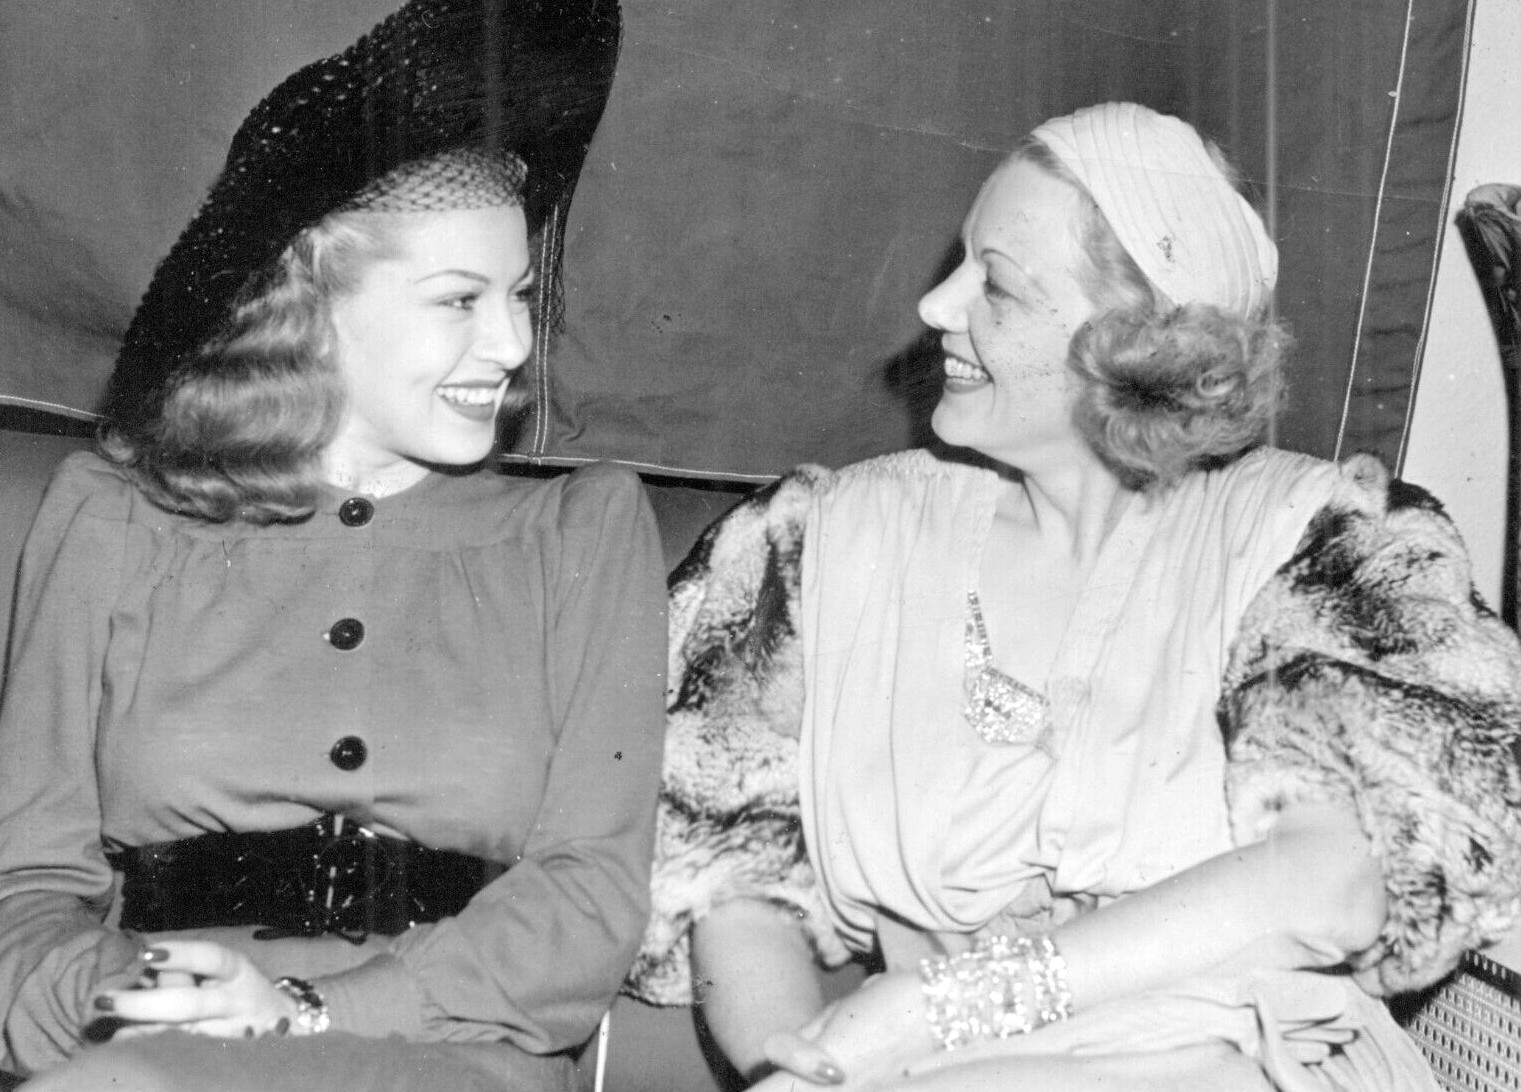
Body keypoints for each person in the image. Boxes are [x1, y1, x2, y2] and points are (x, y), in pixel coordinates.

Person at [624, 102, 1521, 1091]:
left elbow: (1335, 887)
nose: (935, 306)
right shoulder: (830, 540)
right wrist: (808, 1068)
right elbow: (729, 884)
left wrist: (938, 1013)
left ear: (1134, 342)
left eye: (996, 284)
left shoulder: (1315, 542)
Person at [0, 2, 666, 1090]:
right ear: (309, 305)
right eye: (459, 300)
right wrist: (148, 1003)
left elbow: (589, 898)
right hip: (155, 1044)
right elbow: (22, 889)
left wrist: (308, 1014)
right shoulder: (111, 518)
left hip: (455, 1056)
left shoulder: (581, 533)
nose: (511, 344)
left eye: (519, 296)